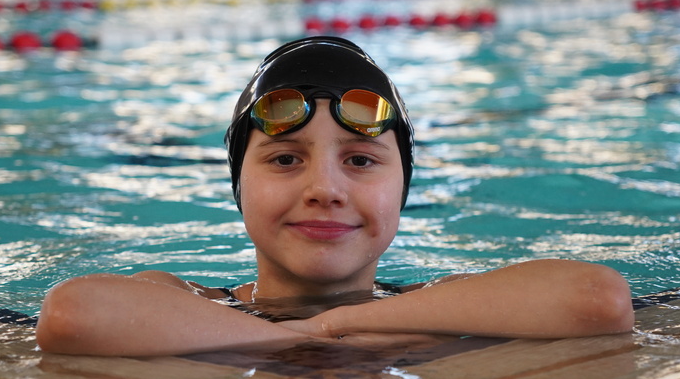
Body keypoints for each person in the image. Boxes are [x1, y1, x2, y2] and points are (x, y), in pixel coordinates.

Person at [36, 36, 634, 356]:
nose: (324, 189)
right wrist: (306, 335)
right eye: (285, 158)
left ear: (403, 189)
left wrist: (347, 319)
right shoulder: (192, 299)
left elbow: (596, 299)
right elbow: (74, 315)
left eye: (360, 160)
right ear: (237, 185)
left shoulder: (438, 299)